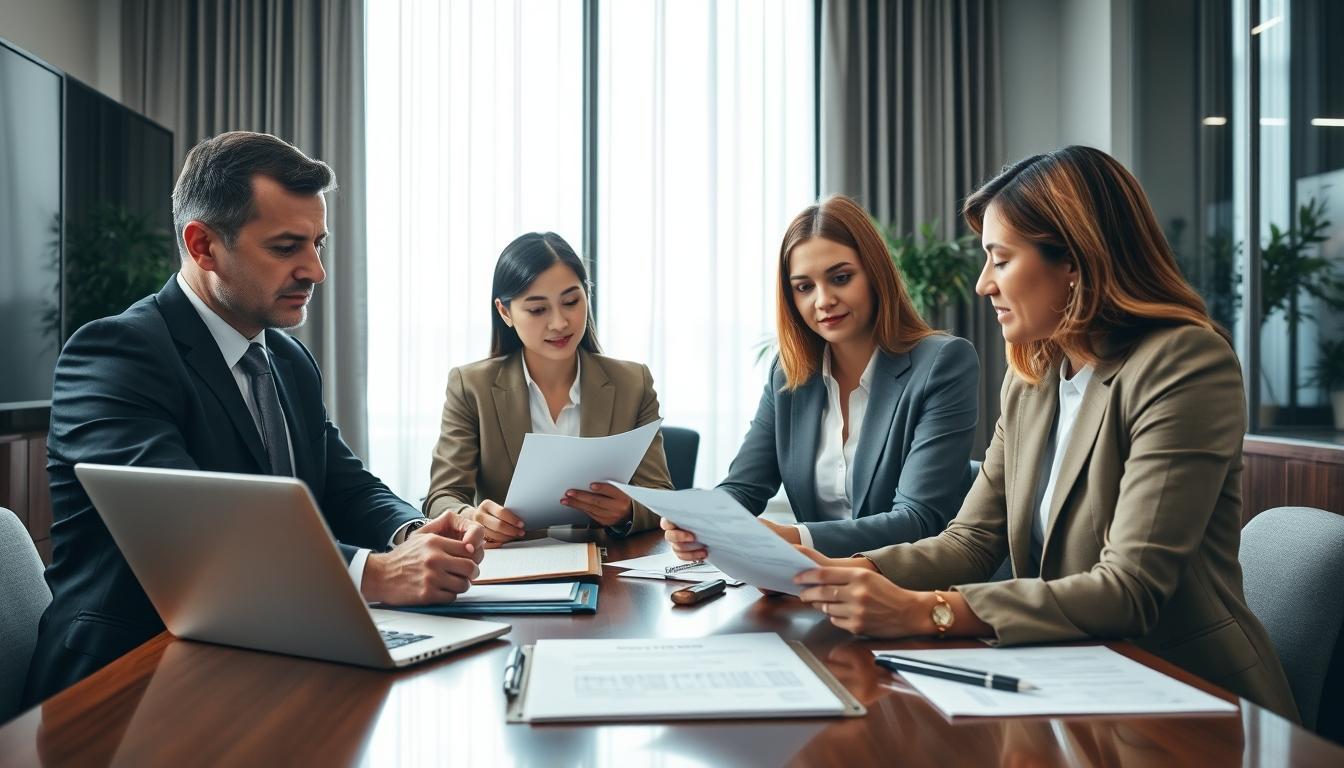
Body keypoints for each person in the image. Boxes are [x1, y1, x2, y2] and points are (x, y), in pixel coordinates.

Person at [785, 147, 1298, 721]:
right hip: (1071, 680)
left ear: (1074, 261)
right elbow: (970, 542)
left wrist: (929, 612)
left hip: (1190, 700)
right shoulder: (1034, 378)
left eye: (1000, 260)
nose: (983, 285)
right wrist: (850, 571)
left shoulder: (1183, 362)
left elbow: (1130, 587)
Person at [22, 131, 484, 707]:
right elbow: (192, 525)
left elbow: (343, 483)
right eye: (287, 246)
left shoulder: (287, 358)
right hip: (128, 683)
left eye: (319, 243)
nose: (314, 270)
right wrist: (377, 574)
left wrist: (412, 533)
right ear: (203, 246)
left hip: (263, 657)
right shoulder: (116, 354)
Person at [663, 194, 980, 558]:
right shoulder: (788, 374)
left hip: (907, 591)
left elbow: (918, 519)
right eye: (804, 287)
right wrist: (702, 520)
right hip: (811, 588)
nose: (823, 300)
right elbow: (743, 487)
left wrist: (792, 538)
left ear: (875, 273)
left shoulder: (943, 362)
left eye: (841, 278)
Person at [423, 232, 673, 544]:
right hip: (513, 568)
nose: (559, 323)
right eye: (538, 309)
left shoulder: (632, 383)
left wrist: (628, 511)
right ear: (505, 312)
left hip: (609, 566)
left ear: (587, 294)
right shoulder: (471, 387)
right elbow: (441, 498)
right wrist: (472, 517)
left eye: (571, 301)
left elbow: (660, 495)